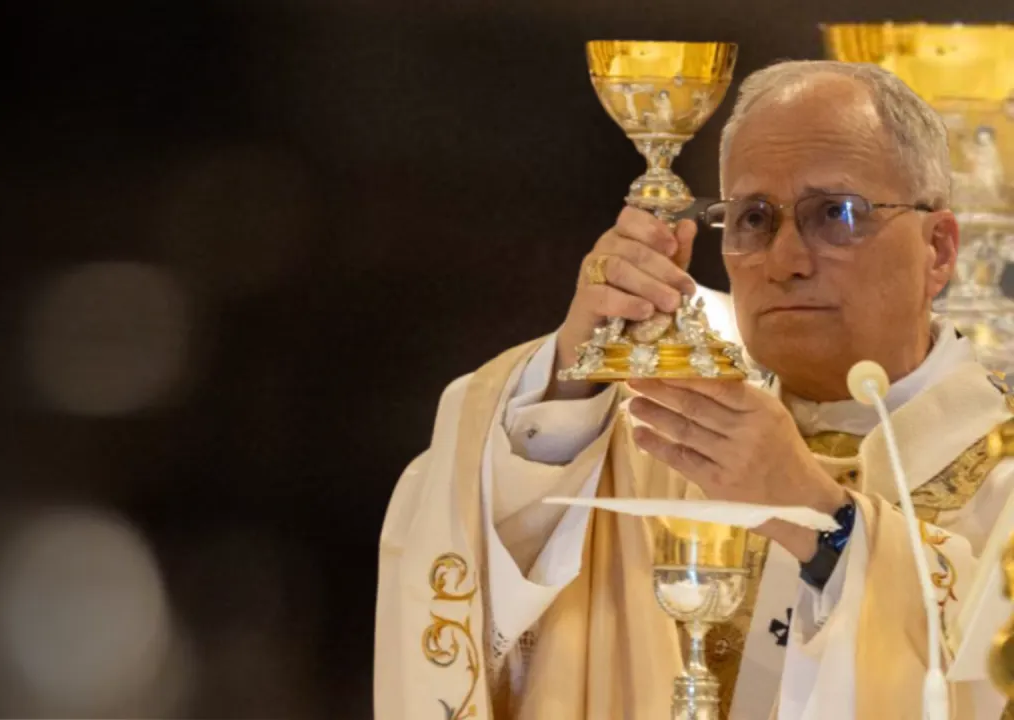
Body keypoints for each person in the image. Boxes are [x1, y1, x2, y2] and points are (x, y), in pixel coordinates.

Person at [374, 60, 1014, 720]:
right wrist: (574, 371)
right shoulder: (660, 429)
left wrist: (827, 526)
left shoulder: (999, 462)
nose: (786, 260)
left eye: (837, 214)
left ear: (939, 250)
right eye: (753, 218)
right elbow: (461, 537)